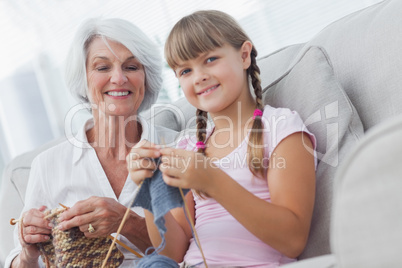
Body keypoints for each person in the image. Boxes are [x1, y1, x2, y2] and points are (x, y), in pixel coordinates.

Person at [128, 10, 317, 267]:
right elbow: (172, 253)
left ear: (243, 55)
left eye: (210, 59)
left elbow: (293, 239)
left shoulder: (281, 128)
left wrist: (212, 180)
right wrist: (150, 189)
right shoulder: (189, 149)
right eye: (185, 71)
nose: (199, 77)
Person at [5, 17, 177, 267]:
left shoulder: (179, 148)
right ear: (83, 79)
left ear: (146, 77)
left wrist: (126, 222)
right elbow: (23, 260)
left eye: (131, 67)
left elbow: (200, 247)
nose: (118, 78)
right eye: (102, 67)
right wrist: (28, 253)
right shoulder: (48, 165)